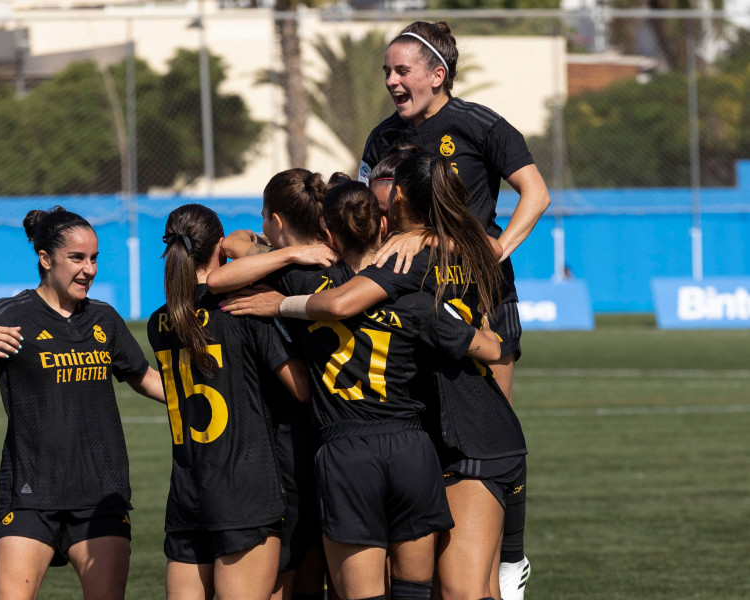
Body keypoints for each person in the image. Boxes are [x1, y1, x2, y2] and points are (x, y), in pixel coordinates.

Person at [223, 154, 527, 600]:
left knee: (459, 589)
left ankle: (513, 561)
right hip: (426, 440)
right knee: (444, 589)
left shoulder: (387, 271)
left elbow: (332, 301)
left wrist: (282, 288)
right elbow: (495, 344)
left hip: (447, 437)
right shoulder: (454, 254)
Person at [359, 22, 550, 596]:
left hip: (482, 304)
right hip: (413, 303)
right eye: (387, 72)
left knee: (490, 432)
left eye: (402, 71)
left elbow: (535, 193)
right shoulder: (381, 138)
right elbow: (367, 213)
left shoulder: (478, 124)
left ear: (437, 74)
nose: (392, 81)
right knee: (425, 434)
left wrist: (493, 249)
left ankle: (508, 561)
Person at [0, 206, 165, 600]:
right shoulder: (10, 313)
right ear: (45, 259)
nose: (89, 269)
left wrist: (203, 399)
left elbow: (143, 377)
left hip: (101, 492)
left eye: (94, 258)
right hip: (29, 493)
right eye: (77, 258)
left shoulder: (105, 319)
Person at [147, 203, 310, 600]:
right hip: (245, 492)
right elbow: (302, 388)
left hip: (188, 495)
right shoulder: (242, 310)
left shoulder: (159, 322)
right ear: (220, 247)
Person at [211, 168, 338, 600]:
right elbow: (236, 240)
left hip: (292, 434)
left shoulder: (274, 277)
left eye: (265, 216)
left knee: (288, 561)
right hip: (348, 430)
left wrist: (282, 259)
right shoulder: (338, 261)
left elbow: (222, 263)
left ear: (277, 220)